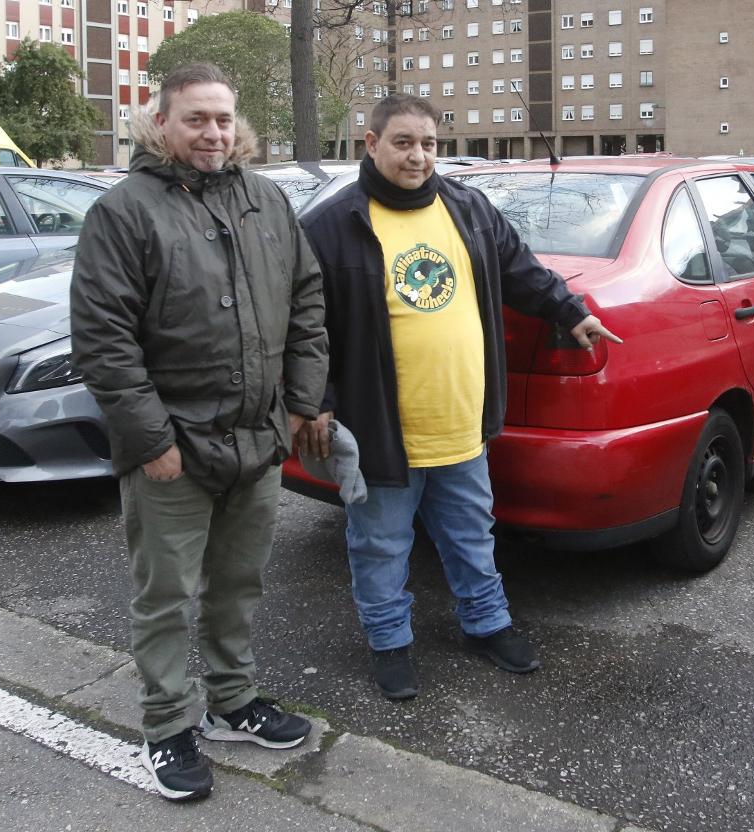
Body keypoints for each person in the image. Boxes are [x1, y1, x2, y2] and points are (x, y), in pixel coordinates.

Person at [300, 93, 620, 701]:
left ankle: (486, 623)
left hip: (460, 420)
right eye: (402, 142)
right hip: (379, 429)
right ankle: (390, 643)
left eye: (428, 144)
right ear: (371, 144)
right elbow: (305, 327)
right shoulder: (330, 226)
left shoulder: (468, 208)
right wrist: (317, 398)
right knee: (380, 544)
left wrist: (569, 311)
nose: (418, 156)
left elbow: (521, 269)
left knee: (472, 532)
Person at [70, 63, 328, 802]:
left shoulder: (267, 199)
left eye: (222, 119)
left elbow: (307, 301)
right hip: (172, 449)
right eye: (195, 119)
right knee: (165, 596)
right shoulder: (124, 212)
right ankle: (166, 727)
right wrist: (151, 441)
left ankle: (231, 702)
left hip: (257, 438)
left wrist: (304, 402)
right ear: (162, 123)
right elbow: (103, 340)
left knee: (238, 586)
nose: (212, 133)